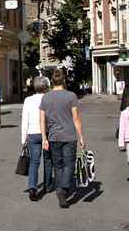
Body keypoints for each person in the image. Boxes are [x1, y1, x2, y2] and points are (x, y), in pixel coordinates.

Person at [39, 69, 85, 208]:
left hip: (53, 136)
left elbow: (42, 120)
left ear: (52, 81)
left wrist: (44, 138)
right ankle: (63, 189)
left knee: (58, 165)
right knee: (69, 164)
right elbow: (76, 119)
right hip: (69, 136)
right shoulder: (71, 96)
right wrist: (81, 136)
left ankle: (61, 190)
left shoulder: (46, 97)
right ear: (63, 80)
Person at [20, 76, 53, 201]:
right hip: (47, 132)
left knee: (34, 162)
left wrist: (23, 139)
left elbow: (25, 120)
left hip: (33, 133)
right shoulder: (48, 98)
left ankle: (33, 188)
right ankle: (47, 185)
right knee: (48, 160)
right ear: (45, 87)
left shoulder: (28, 100)